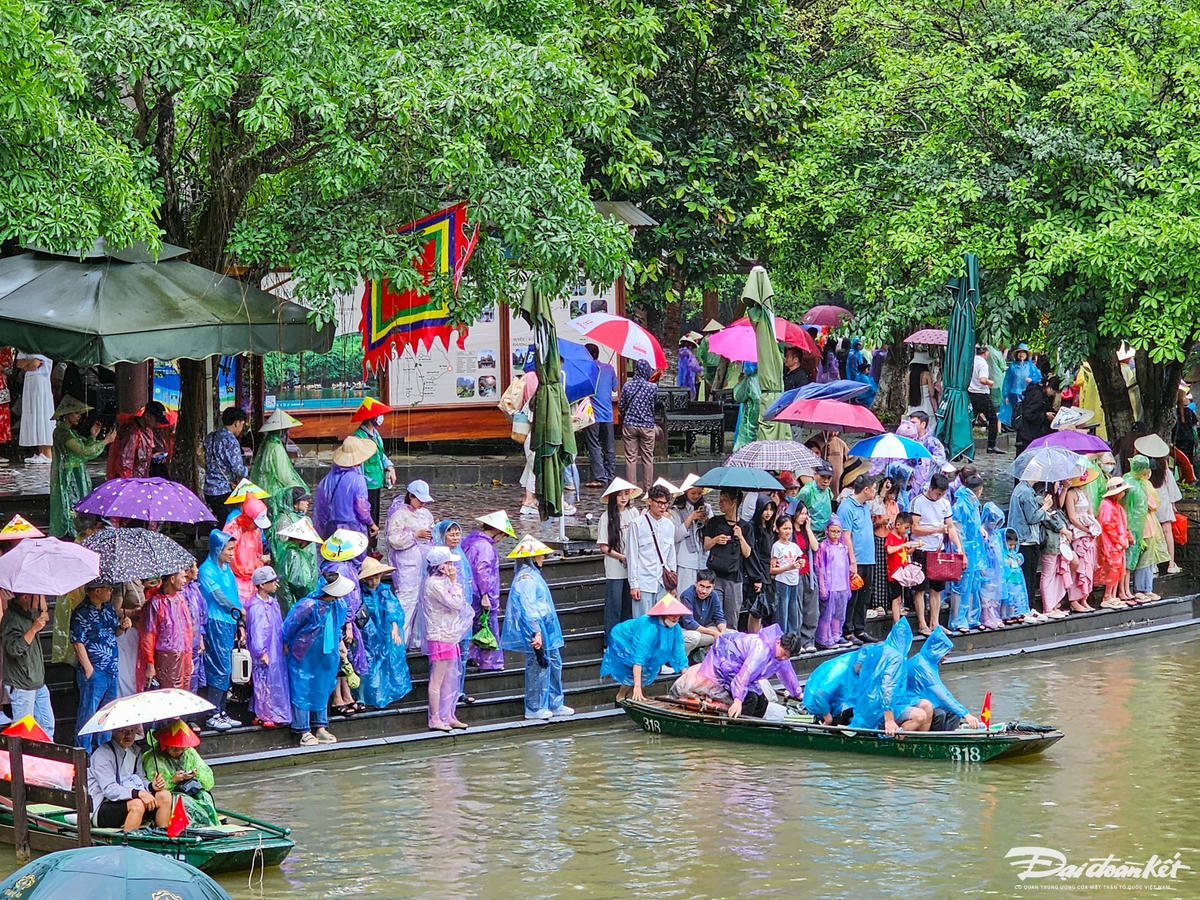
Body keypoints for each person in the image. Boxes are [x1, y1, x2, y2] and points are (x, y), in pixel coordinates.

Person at [502, 535, 572, 720]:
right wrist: (536, 632)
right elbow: (528, 606)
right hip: (536, 627)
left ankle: (555, 702)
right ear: (533, 558)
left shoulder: (534, 576)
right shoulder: (526, 578)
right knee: (538, 665)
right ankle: (534, 706)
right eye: (540, 556)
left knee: (554, 663)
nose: (543, 559)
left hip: (547, 626)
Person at [668, 625, 803, 719]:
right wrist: (738, 699)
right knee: (750, 699)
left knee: (763, 702)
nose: (783, 657)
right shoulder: (760, 649)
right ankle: (737, 724)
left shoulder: (781, 656)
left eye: (787, 656)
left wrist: (798, 693)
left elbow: (787, 672)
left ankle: (752, 728)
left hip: (742, 670)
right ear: (779, 642)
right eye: (784, 653)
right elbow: (744, 674)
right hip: (726, 663)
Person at [282, 572, 353, 745]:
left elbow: (337, 628)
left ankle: (320, 726)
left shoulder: (339, 605)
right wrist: (285, 643)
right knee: (302, 688)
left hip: (327, 654)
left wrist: (340, 645)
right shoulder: (307, 606)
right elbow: (289, 627)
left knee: (322, 686)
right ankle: (303, 729)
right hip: (304, 654)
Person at [70, 579, 129, 752]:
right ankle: (84, 754)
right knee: (88, 714)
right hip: (95, 670)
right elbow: (77, 641)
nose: (111, 590)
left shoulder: (108, 608)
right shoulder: (81, 612)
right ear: (96, 591)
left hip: (111, 669)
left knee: (107, 714)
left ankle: (104, 753)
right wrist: (89, 670)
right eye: (107, 588)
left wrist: (123, 626)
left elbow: (114, 632)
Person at [420, 546, 473, 731]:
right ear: (441, 566)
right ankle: (435, 717)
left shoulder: (443, 582)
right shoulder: (433, 584)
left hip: (450, 634)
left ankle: (449, 714)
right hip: (439, 634)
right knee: (438, 679)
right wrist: (455, 582)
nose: (452, 566)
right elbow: (456, 603)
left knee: (451, 677)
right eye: (449, 563)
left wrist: (452, 582)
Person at [850, 618, 932, 734]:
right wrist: (889, 719)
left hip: (888, 701)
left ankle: (920, 740)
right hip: (878, 707)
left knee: (927, 705)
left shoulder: (877, 649)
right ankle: (896, 739)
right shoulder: (895, 658)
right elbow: (887, 687)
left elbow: (857, 667)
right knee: (920, 716)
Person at [48, 397, 115, 538]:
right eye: (76, 413)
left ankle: (80, 531)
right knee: (71, 505)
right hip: (68, 478)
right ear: (67, 415)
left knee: (80, 504)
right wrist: (106, 441)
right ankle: (72, 533)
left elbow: (85, 450)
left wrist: (92, 436)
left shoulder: (71, 432)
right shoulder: (62, 433)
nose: (79, 416)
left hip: (76, 474)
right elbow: (83, 451)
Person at [602, 595, 690, 701]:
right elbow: (639, 658)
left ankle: (633, 696)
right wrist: (637, 687)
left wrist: (686, 675)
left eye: (678, 616)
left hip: (646, 643)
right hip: (624, 639)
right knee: (633, 668)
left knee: (650, 667)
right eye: (673, 616)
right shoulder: (649, 627)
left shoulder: (676, 628)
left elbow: (679, 651)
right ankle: (621, 696)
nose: (675, 619)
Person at [198, 529, 243, 731]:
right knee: (219, 667)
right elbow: (218, 596)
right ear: (218, 549)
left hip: (229, 622)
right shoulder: (207, 570)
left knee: (227, 668)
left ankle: (222, 710)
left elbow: (234, 593)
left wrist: (239, 620)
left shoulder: (227, 570)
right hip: (215, 621)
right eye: (229, 549)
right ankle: (213, 712)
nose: (233, 553)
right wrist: (237, 610)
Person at [87, 725, 173, 831]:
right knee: (137, 804)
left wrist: (152, 786)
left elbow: (140, 778)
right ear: (113, 732)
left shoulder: (135, 751)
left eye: (132, 731)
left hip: (130, 798)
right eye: (122, 731)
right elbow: (109, 790)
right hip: (102, 806)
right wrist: (138, 793)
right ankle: (127, 843)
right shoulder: (102, 754)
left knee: (164, 795)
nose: (128, 735)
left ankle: (162, 834)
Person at [249, 408, 307, 560]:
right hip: (276, 494)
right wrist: (299, 488)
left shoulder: (267, 444)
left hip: (265, 491)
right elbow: (284, 475)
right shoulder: (276, 448)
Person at [462, 510, 515, 672]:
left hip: (469, 592)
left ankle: (470, 656)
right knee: (486, 628)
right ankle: (489, 663)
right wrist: (485, 595)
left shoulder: (469, 541)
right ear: (497, 532)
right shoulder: (485, 547)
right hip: (481, 594)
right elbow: (483, 571)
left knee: (472, 626)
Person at [910, 473, 963, 636]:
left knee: (936, 589)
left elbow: (950, 527)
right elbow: (914, 528)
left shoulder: (945, 504)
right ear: (931, 489)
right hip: (921, 549)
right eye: (938, 493)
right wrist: (935, 530)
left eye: (942, 494)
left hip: (938, 550)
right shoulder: (917, 502)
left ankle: (935, 622)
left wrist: (959, 547)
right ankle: (922, 623)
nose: (940, 497)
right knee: (920, 588)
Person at [386, 479, 436, 648]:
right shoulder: (399, 515)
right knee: (406, 603)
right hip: (406, 565)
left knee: (422, 602)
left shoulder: (426, 514)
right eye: (419, 500)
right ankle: (399, 643)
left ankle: (415, 641)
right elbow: (394, 540)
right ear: (411, 496)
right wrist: (414, 535)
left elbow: (432, 533)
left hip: (423, 562)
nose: (422, 504)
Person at [358, 556, 412, 710]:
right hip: (367, 635)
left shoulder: (385, 592)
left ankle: (384, 693)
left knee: (385, 662)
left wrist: (394, 627)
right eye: (371, 578)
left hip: (385, 634)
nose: (374, 581)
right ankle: (364, 696)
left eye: (377, 577)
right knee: (367, 663)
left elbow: (393, 610)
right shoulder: (361, 594)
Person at [141, 719, 220, 826]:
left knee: (205, 796)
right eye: (174, 749)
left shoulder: (190, 752)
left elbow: (208, 781)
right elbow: (153, 786)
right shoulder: (152, 758)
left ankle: (212, 826)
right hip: (171, 794)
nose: (179, 751)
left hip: (189, 789)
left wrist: (194, 775)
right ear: (165, 745)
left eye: (181, 748)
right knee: (186, 803)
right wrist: (173, 780)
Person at [904, 627, 982, 731]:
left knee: (953, 713)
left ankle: (950, 737)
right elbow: (941, 695)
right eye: (945, 655)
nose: (946, 658)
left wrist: (961, 711)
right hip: (910, 702)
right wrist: (966, 714)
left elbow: (943, 691)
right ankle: (935, 740)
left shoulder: (929, 663)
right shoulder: (921, 666)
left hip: (923, 699)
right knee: (940, 714)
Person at [244, 566, 291, 727]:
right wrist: (260, 651)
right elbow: (257, 630)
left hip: (276, 648)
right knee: (263, 681)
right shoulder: (256, 606)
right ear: (262, 585)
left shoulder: (272, 603)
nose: (276, 583)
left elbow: (279, 625)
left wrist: (284, 642)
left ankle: (273, 712)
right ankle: (263, 713)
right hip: (265, 651)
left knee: (275, 680)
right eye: (272, 581)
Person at [2, 592, 53, 737]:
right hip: (21, 684)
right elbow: (14, 649)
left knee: (46, 725)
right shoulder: (11, 618)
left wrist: (42, 612)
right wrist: (33, 629)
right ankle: (19, 759)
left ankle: (47, 758)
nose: (40, 599)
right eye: (37, 596)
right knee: (23, 731)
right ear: (26, 597)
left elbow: (45, 615)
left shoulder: (28, 613)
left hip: (37, 681)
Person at [313, 435, 377, 549]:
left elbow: (321, 510)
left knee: (333, 557)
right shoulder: (358, 480)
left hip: (331, 528)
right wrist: (371, 523)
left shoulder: (327, 479)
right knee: (353, 559)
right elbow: (362, 509)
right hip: (352, 528)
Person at [598, 478, 641, 640]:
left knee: (628, 608)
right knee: (614, 607)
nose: (623, 498)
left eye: (626, 494)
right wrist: (622, 557)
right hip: (615, 568)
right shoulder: (606, 517)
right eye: (619, 495)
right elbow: (603, 546)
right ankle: (610, 642)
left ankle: (627, 641)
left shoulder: (634, 513)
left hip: (632, 568)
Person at [625, 484, 678, 617]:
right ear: (650, 501)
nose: (662, 507)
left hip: (662, 582)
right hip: (643, 582)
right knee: (643, 623)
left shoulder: (669, 525)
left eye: (665, 504)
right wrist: (634, 584)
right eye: (659, 503)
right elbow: (632, 556)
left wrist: (672, 584)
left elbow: (671, 555)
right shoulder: (637, 524)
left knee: (661, 623)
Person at [703, 489, 753, 627]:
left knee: (731, 618)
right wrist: (716, 540)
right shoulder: (715, 522)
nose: (720, 503)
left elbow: (748, 553)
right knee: (714, 616)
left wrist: (740, 536)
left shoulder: (745, 526)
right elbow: (706, 545)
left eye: (724, 500)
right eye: (720, 499)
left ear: (734, 502)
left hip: (734, 577)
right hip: (715, 575)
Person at [837, 475, 877, 645]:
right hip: (856, 559)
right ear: (866, 489)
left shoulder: (865, 506)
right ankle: (847, 630)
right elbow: (846, 535)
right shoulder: (846, 507)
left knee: (864, 597)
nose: (875, 491)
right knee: (852, 596)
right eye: (874, 488)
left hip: (869, 557)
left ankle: (860, 628)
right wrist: (852, 560)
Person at [139, 569, 194, 691]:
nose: (185, 581)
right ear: (172, 579)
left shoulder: (180, 599)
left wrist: (189, 656)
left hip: (183, 654)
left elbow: (187, 630)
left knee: (183, 695)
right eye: (182, 577)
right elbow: (148, 635)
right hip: (166, 657)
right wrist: (150, 663)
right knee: (169, 695)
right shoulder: (155, 603)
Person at [947, 475, 986, 632]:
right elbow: (957, 531)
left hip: (976, 550)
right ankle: (958, 620)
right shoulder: (961, 506)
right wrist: (961, 552)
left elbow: (974, 526)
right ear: (979, 490)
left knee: (974, 585)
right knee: (962, 586)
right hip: (966, 550)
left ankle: (972, 617)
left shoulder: (973, 505)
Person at [350, 398, 397, 525]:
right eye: (378, 415)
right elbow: (358, 463)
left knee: (375, 513)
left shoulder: (376, 434)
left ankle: (373, 543)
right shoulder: (359, 436)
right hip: (366, 483)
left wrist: (390, 467)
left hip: (377, 480)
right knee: (366, 514)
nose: (381, 418)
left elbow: (381, 455)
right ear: (372, 417)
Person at [1063, 470, 1101, 613]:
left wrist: (1093, 526)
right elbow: (1072, 517)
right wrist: (1085, 529)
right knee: (1080, 566)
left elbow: (1090, 512)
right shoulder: (1070, 494)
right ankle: (1074, 599)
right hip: (1078, 531)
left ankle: (1084, 597)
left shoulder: (1084, 492)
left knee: (1089, 565)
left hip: (1089, 530)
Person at [202, 407, 249, 522]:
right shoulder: (230, 440)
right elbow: (237, 468)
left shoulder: (211, 437)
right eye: (242, 424)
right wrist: (247, 470)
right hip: (223, 490)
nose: (241, 428)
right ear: (236, 423)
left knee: (221, 521)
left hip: (209, 489)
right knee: (229, 525)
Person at [815, 514, 855, 650]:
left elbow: (845, 568)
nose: (836, 534)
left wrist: (848, 586)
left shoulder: (843, 548)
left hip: (842, 585)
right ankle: (824, 637)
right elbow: (820, 568)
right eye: (833, 531)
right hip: (830, 586)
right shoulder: (823, 547)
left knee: (839, 612)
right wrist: (822, 586)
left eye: (838, 531)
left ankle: (837, 635)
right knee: (827, 613)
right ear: (827, 530)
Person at [618, 360, 658, 493]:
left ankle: (632, 490)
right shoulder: (652, 387)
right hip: (647, 425)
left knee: (630, 458)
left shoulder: (627, 386)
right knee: (647, 458)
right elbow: (654, 406)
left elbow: (621, 406)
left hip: (630, 425)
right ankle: (648, 491)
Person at [222, 494, 271, 603]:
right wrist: (243, 571)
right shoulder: (233, 529)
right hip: (236, 579)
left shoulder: (256, 531)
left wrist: (261, 559)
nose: (257, 526)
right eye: (256, 523)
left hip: (252, 579)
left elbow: (257, 552)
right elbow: (227, 555)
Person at [581, 344, 618, 486]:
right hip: (608, 414)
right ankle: (610, 475)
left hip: (592, 415)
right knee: (609, 446)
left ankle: (600, 477)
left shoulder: (586, 370)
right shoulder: (609, 368)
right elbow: (615, 387)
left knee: (594, 445)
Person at [742, 494, 777, 633]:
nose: (768, 513)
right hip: (756, 573)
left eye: (771, 509)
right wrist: (757, 577)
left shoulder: (768, 529)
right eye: (765, 509)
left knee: (762, 609)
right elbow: (753, 554)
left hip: (766, 572)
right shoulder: (752, 527)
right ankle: (753, 638)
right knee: (755, 609)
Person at [106, 401, 167, 480]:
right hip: (132, 481)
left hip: (141, 478)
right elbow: (124, 464)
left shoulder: (148, 431)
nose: (158, 424)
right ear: (147, 416)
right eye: (156, 420)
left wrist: (154, 457)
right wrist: (129, 484)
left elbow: (143, 455)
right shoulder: (131, 432)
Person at [274, 512, 321, 615]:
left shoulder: (285, 550)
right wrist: (311, 594)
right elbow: (300, 584)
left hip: (285, 599)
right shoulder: (294, 554)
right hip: (294, 602)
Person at [671, 477, 711, 594]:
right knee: (685, 593)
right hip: (685, 559)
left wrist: (706, 520)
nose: (696, 496)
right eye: (693, 493)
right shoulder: (676, 510)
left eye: (699, 493)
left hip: (703, 558)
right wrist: (690, 518)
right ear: (686, 492)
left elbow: (712, 531)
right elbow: (676, 536)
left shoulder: (707, 508)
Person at [1037, 489, 1073, 619]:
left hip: (1058, 544)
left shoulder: (1053, 503)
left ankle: (1054, 604)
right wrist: (1064, 530)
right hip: (1050, 543)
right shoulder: (1040, 500)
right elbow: (1049, 520)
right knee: (1048, 574)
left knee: (1055, 575)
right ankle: (1048, 607)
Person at [791, 503, 821, 652]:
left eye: (805, 514)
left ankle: (808, 640)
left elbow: (815, 547)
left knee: (811, 609)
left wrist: (808, 528)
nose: (804, 517)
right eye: (801, 513)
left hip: (808, 572)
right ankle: (797, 642)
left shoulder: (805, 531)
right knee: (797, 608)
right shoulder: (789, 530)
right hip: (794, 573)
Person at [678, 571, 727, 659]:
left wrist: (722, 634)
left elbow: (719, 617)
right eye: (701, 586)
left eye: (708, 587)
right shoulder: (687, 595)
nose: (704, 591)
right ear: (696, 583)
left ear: (713, 587)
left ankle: (704, 655)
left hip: (703, 629)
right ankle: (677, 661)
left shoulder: (714, 595)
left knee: (732, 634)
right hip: (685, 630)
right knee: (694, 637)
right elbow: (689, 623)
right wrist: (715, 633)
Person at [15, 352, 53, 462]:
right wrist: (28, 363)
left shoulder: (44, 346)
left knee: (42, 411)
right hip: (29, 381)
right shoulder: (26, 347)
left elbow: (35, 364)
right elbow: (19, 364)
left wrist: (27, 364)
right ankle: (41, 451)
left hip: (41, 381)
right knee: (32, 411)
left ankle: (46, 451)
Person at [770, 515, 805, 635]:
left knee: (793, 611)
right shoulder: (776, 546)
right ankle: (781, 638)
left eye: (790, 529)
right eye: (785, 528)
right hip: (782, 581)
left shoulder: (794, 546)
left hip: (794, 581)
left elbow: (800, 559)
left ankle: (793, 638)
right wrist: (788, 567)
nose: (788, 531)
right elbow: (772, 569)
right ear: (778, 529)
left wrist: (801, 562)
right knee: (782, 612)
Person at [885, 512, 920, 624]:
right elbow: (889, 550)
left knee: (900, 599)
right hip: (895, 573)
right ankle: (896, 623)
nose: (907, 531)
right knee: (896, 599)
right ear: (898, 525)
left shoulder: (902, 537)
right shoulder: (891, 536)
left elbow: (905, 552)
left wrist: (913, 547)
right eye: (906, 528)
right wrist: (904, 545)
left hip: (903, 572)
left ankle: (898, 620)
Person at [967, 344, 1001, 454]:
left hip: (971, 393)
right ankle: (991, 444)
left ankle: (966, 444)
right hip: (982, 394)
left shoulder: (971, 361)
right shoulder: (982, 363)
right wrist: (990, 382)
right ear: (985, 352)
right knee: (993, 419)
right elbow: (982, 379)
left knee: (971, 420)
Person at [999, 344, 1042, 429]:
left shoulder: (1031, 366)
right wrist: (1006, 396)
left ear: (1027, 355)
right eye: (1019, 352)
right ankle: (1016, 428)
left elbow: (1038, 377)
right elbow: (1007, 382)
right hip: (1014, 394)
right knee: (1015, 413)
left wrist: (1032, 379)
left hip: (1027, 394)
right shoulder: (1013, 367)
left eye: (1023, 352)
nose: (1021, 354)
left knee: (1026, 412)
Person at [978, 503, 1006, 629]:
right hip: (986, 568)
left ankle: (994, 615)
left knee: (995, 593)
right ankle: (985, 617)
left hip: (996, 569)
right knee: (986, 594)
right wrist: (982, 567)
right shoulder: (982, 534)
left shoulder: (996, 534)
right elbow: (980, 551)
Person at [182, 562, 207, 695]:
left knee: (194, 677)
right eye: (194, 567)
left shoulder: (195, 589)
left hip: (195, 641)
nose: (197, 570)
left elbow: (201, 614)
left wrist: (201, 636)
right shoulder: (180, 593)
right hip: (183, 642)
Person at [1015, 378, 1058, 454]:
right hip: (1029, 434)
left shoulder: (1042, 394)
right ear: (1050, 388)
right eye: (1054, 392)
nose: (1054, 394)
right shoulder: (1037, 395)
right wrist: (1045, 416)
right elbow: (1029, 414)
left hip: (1030, 433)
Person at [797, 462, 835, 538]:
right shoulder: (806, 491)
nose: (826, 481)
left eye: (829, 478)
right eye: (823, 476)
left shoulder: (828, 490)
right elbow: (796, 512)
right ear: (815, 474)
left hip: (826, 534)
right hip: (810, 534)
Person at [906, 350, 938, 422]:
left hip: (913, 406)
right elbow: (932, 393)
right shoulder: (926, 375)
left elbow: (907, 394)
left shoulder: (908, 375)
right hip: (926, 406)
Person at [677, 335, 703, 401]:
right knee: (691, 395)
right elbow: (694, 366)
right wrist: (702, 368)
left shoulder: (679, 353)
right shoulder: (689, 354)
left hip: (680, 376)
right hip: (689, 377)